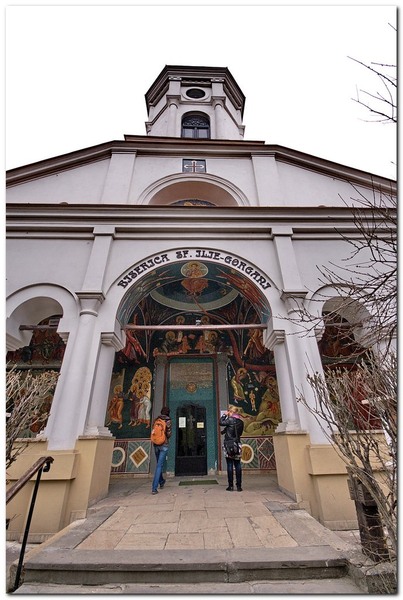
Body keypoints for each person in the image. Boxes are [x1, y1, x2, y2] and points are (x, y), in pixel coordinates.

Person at [220, 408, 244, 492]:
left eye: (229, 411)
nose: (228, 413)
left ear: (232, 412)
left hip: (229, 445)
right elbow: (240, 433)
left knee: (229, 464)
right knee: (237, 465)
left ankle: (230, 486)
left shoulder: (230, 420)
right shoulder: (241, 422)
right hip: (237, 445)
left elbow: (221, 422)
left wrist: (224, 415)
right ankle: (239, 486)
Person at [151, 406, 172, 495]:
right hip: (164, 444)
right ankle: (154, 488)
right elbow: (169, 433)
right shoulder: (168, 420)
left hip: (156, 444)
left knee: (158, 465)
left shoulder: (156, 420)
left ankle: (161, 481)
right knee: (159, 466)